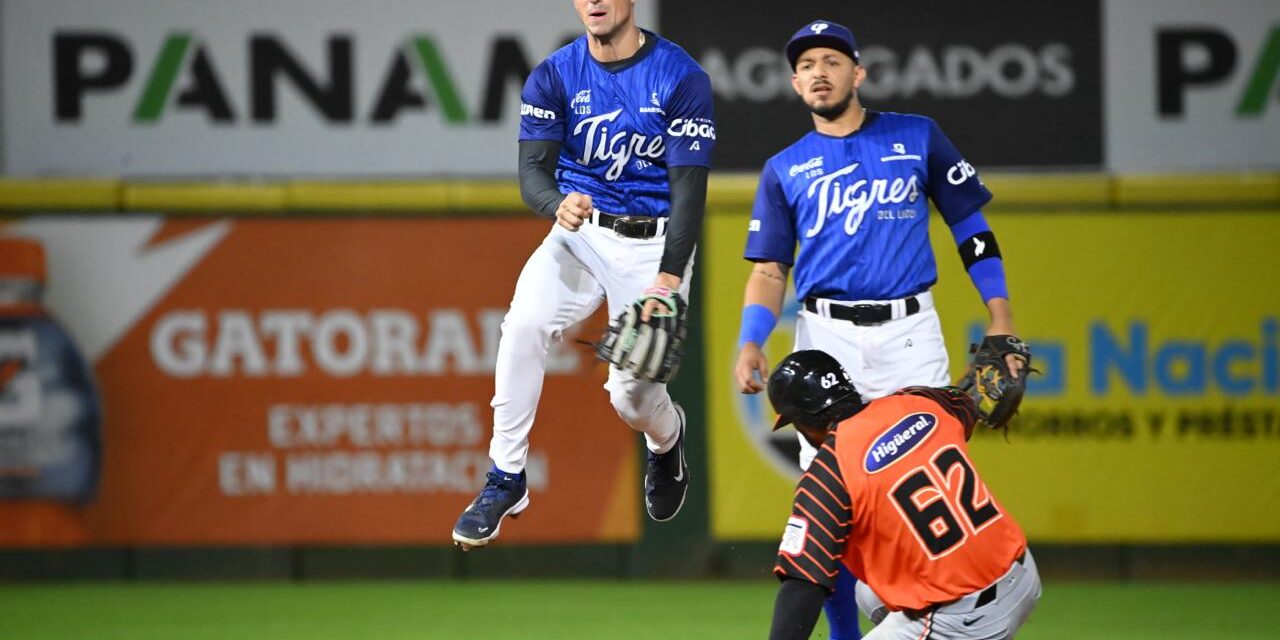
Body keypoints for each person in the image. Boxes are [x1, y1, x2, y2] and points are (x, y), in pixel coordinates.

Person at [733, 19, 1027, 637]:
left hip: (908, 329)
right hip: (825, 334)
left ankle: (952, 605)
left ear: (858, 73)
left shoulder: (916, 136)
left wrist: (1000, 314)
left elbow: (971, 230)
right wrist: (750, 341)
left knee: (923, 472)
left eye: (832, 61)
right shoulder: (785, 167)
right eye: (807, 63)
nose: (819, 71)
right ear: (794, 82)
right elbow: (768, 269)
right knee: (833, 500)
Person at [452, 0, 716, 550]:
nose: (594, 1)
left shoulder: (680, 76)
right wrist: (555, 204)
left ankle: (667, 441)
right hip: (583, 233)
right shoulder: (554, 75)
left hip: (656, 242)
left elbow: (690, 188)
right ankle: (506, 477)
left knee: (632, 396)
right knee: (523, 325)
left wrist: (669, 276)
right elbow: (532, 173)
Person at [765, 350, 1040, 640]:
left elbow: (803, 583)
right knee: (869, 593)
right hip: (1023, 575)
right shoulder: (921, 400)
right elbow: (966, 401)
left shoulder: (828, 473)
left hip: (963, 618)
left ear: (803, 421)